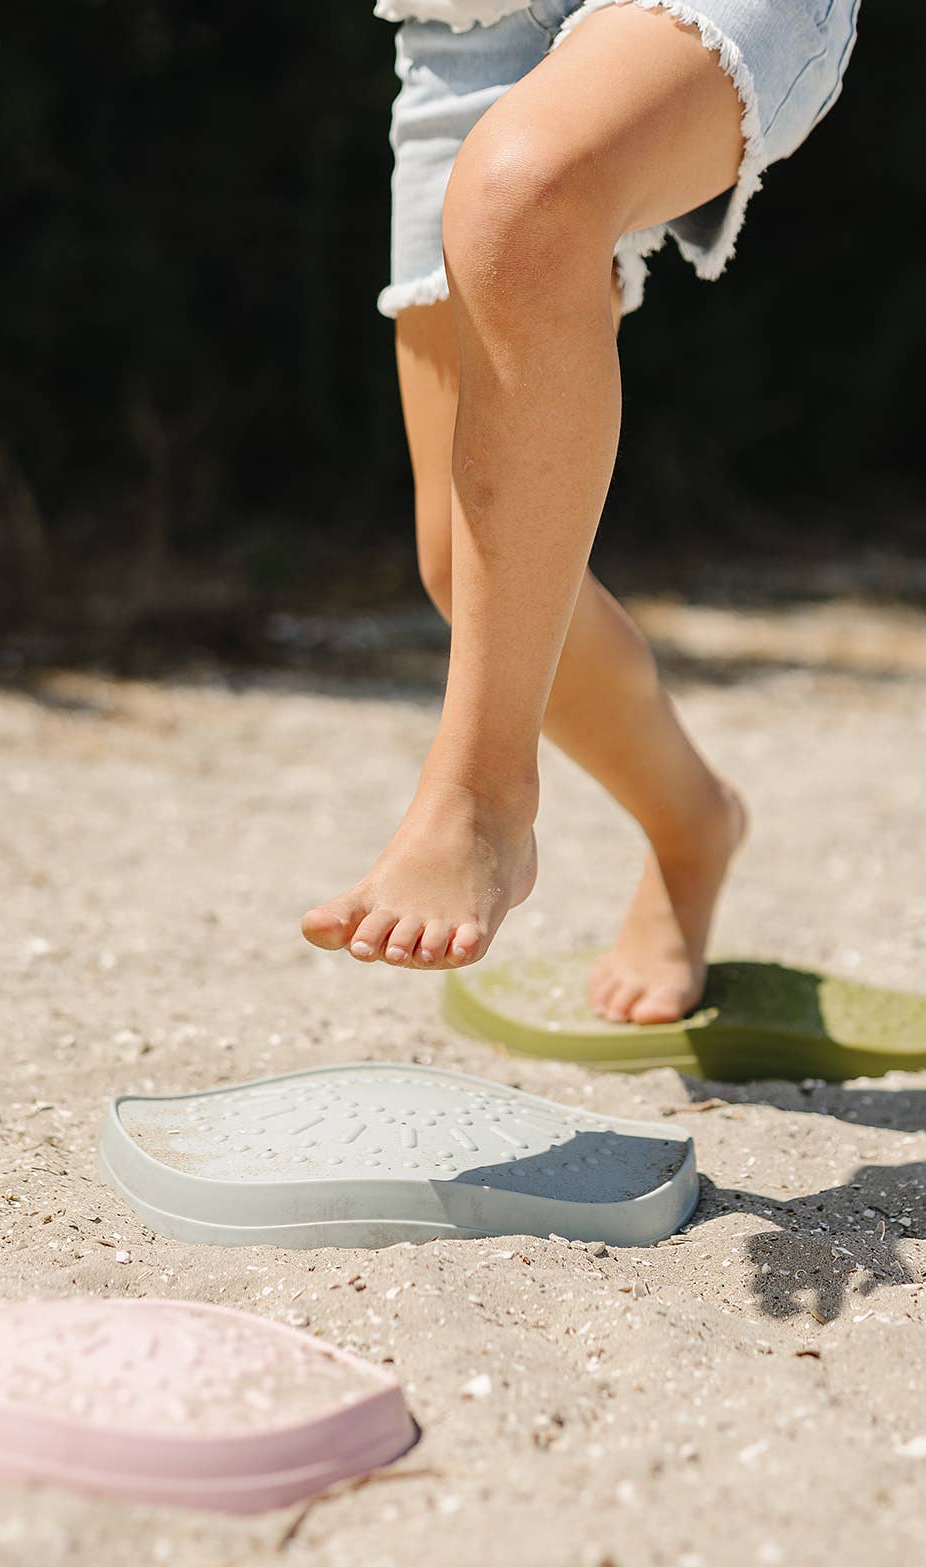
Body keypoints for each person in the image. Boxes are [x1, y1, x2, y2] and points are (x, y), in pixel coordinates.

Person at [301, 0, 860, 1024]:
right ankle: (692, 824)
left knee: (524, 190)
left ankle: (479, 796)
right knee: (462, 568)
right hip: (467, 24)